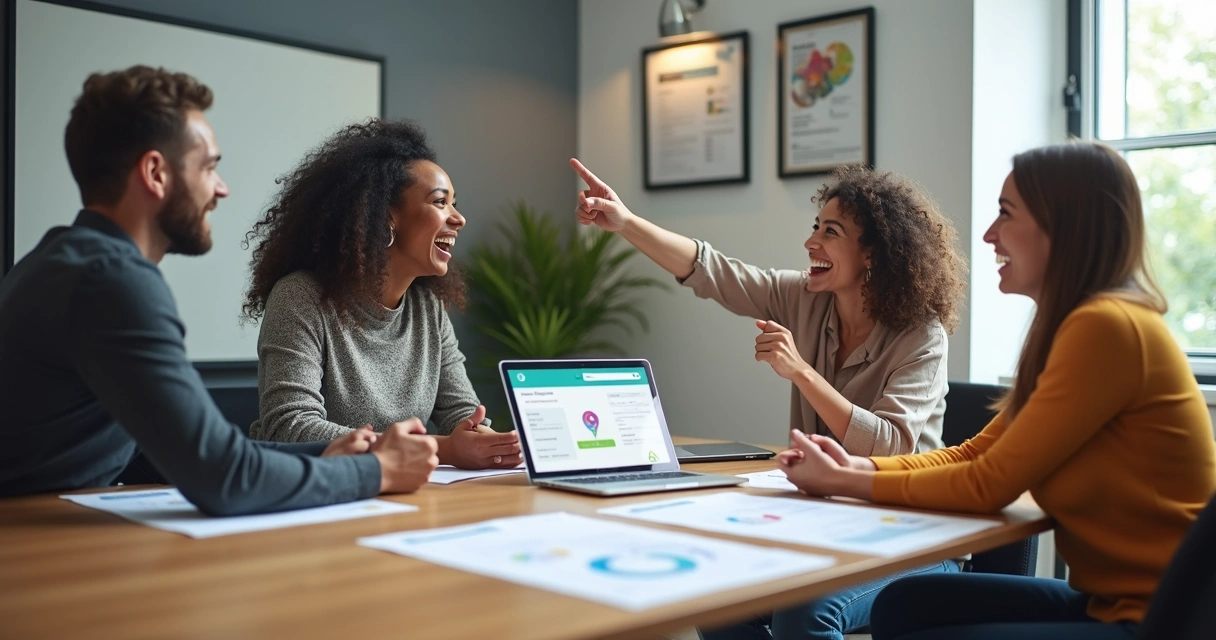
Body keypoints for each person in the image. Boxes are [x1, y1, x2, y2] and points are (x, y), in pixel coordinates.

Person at [774, 142, 1216, 639]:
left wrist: (843, 481)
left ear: (1062, 226)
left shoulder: (1108, 327)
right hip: (1108, 601)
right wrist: (859, 466)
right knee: (906, 605)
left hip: (1162, 618)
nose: (988, 234)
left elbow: (989, 484)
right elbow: (975, 453)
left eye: (1005, 214)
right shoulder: (1072, 327)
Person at [0, 66, 439, 514]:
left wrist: (329, 454)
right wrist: (377, 471)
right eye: (210, 167)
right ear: (155, 173)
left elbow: (163, 452)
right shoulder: (112, 282)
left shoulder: (64, 261)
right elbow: (224, 476)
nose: (221, 189)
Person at [570, 159, 967, 639]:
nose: (811, 242)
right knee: (721, 596)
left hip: (914, 539)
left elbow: (888, 446)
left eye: (831, 232)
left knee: (803, 612)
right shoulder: (806, 297)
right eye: (815, 227)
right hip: (828, 523)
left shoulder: (920, 335)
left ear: (872, 255)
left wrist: (800, 371)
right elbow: (714, 271)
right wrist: (626, 222)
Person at [243, 119, 522, 471]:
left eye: (454, 204)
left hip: (393, 492)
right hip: (307, 493)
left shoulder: (428, 308)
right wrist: (442, 449)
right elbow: (291, 428)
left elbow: (460, 412)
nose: (459, 219)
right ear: (386, 218)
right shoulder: (300, 297)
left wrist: (484, 439)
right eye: (440, 202)